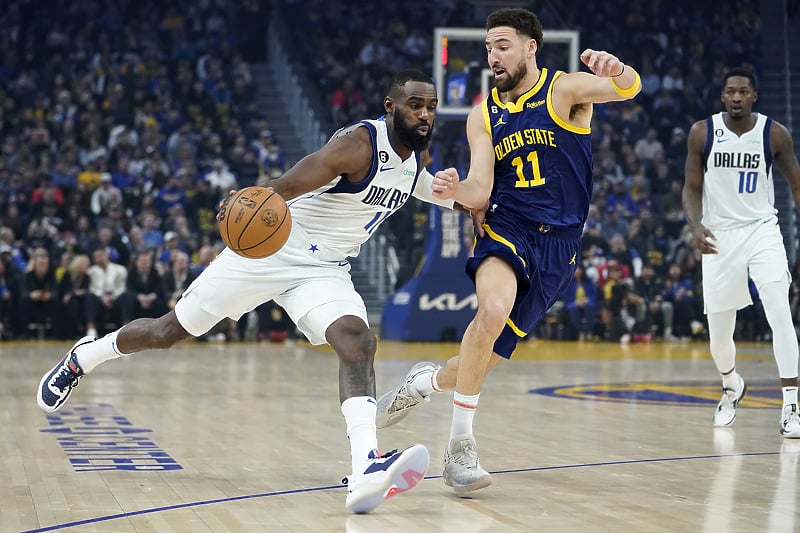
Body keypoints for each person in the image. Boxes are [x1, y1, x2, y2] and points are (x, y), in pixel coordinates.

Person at [37, 69, 454, 514]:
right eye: (415, 104)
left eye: (430, 106)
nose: (424, 113)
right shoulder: (357, 144)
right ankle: (83, 357)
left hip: (323, 269)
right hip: (270, 250)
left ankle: (365, 468)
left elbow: (412, 185)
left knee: (357, 340)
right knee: (167, 332)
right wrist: (252, 196)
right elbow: (292, 183)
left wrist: (457, 196)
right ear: (391, 107)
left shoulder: (415, 160)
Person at [374, 7, 641, 495]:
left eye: (502, 46)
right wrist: (456, 190)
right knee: (491, 310)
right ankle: (460, 449)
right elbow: (481, 189)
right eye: (488, 48)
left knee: (476, 364)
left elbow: (630, 88)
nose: (493, 56)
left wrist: (615, 69)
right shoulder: (483, 114)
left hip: (560, 246)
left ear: (530, 46)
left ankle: (422, 385)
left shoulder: (564, 91)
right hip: (507, 225)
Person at [681, 67, 800, 437]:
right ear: (722, 97)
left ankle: (792, 404)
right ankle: (732, 384)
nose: (736, 97)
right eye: (730, 91)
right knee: (719, 335)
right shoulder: (702, 132)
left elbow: (796, 184)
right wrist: (695, 225)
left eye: (743, 91)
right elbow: (690, 188)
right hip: (719, 236)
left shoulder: (774, 133)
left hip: (762, 230)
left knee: (780, 310)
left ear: (754, 96)